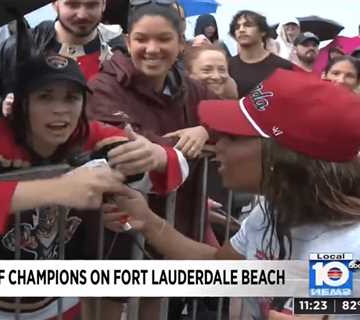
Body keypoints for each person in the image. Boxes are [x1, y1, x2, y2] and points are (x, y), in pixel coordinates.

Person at [0, 53, 188, 320]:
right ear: (21, 104)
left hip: (57, 302)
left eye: (71, 98)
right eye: (45, 97)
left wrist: (155, 155)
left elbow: (175, 168)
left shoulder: (92, 135)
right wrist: (58, 188)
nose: (60, 109)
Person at [104, 68, 360, 319]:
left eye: (233, 137)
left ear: (282, 157)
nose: (217, 146)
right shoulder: (271, 210)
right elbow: (218, 263)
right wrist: (146, 220)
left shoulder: (343, 252)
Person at [87, 2, 222, 318]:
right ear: (127, 39)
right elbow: (121, 140)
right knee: (104, 306)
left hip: (174, 223)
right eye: (141, 39)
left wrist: (204, 129)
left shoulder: (193, 88)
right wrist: (173, 148)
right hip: (115, 223)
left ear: (180, 41)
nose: (152, 49)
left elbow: (231, 119)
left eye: (163, 39)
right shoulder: (104, 86)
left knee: (157, 305)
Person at [0, 0, 124, 120]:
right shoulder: (21, 46)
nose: (82, 14)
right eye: (72, 4)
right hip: (35, 157)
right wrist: (2, 105)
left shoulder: (119, 52)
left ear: (103, 4)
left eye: (91, 5)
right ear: (55, 4)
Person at [228, 10, 294, 97]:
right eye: (237, 27)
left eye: (248, 25)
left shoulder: (283, 66)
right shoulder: (228, 66)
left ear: (263, 32)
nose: (241, 30)